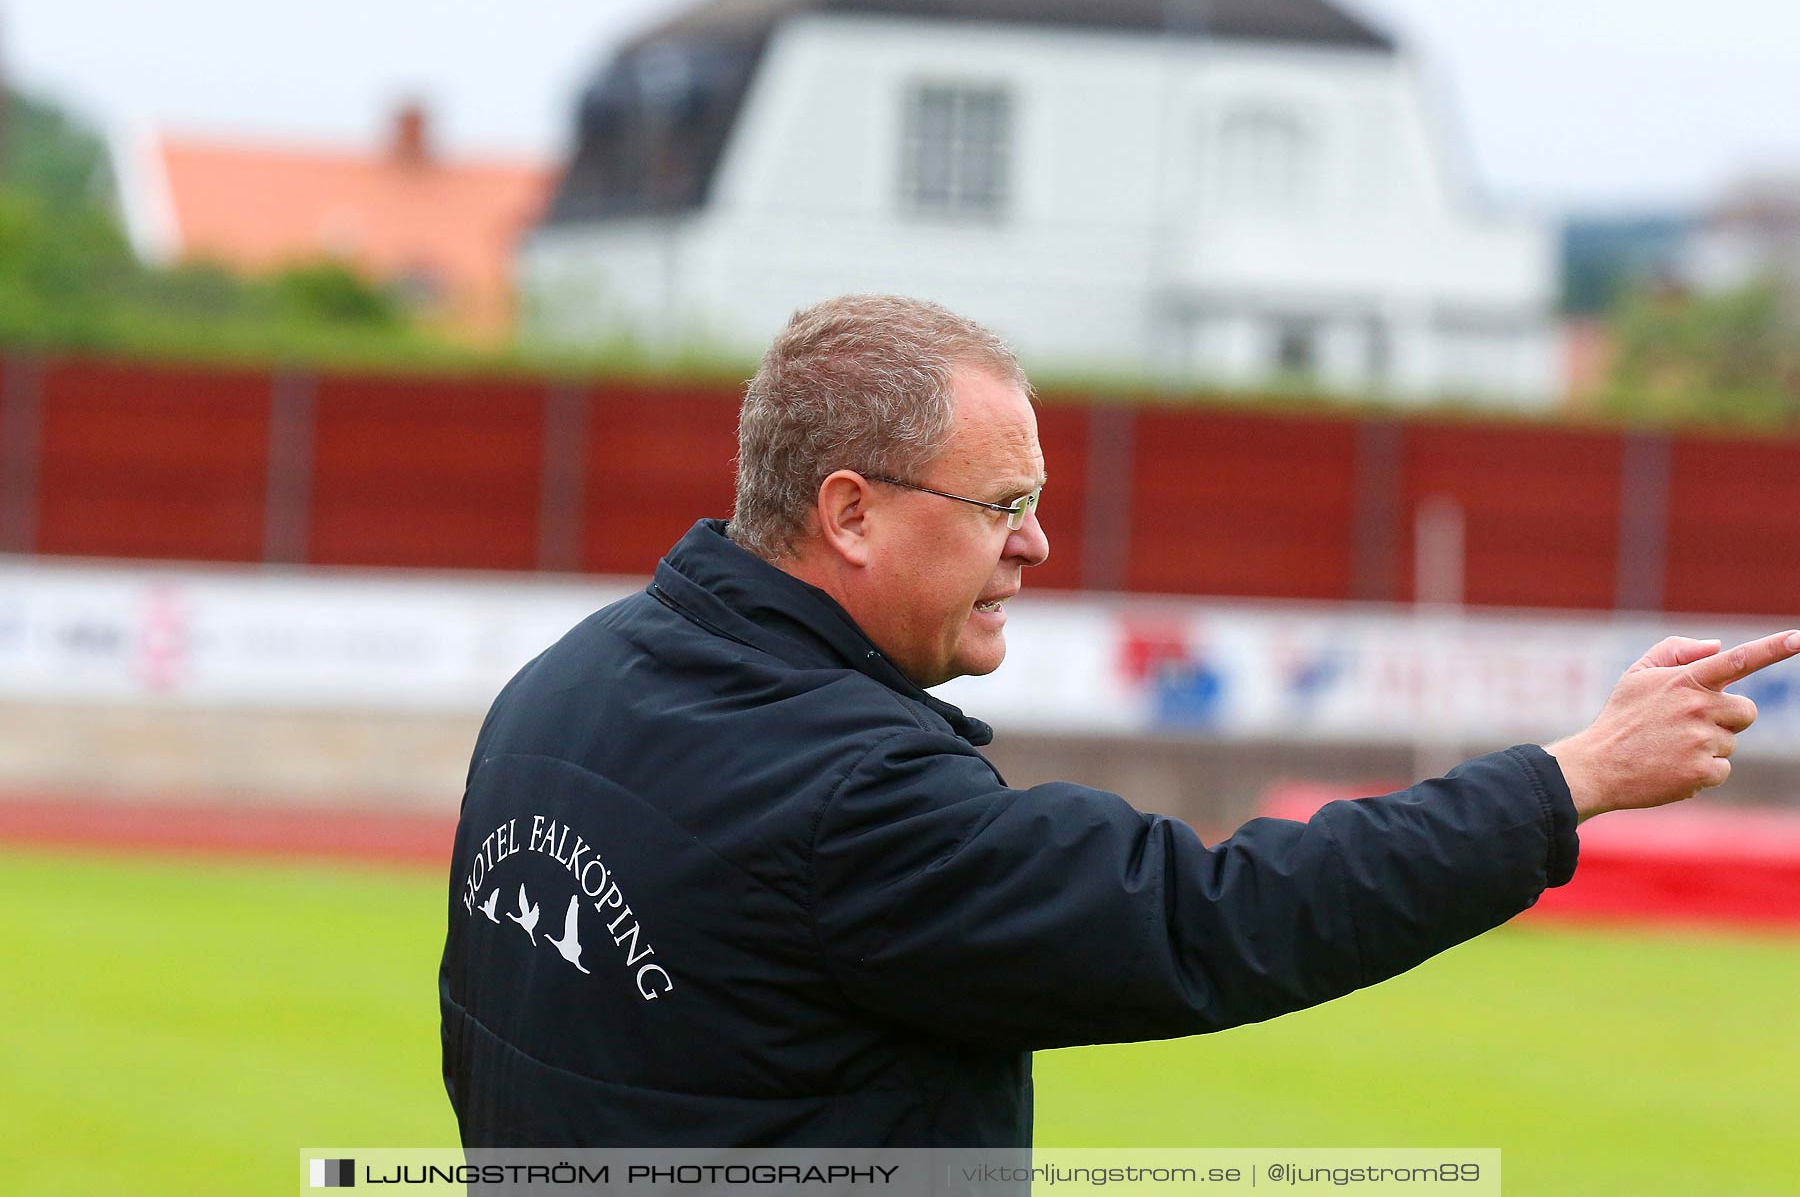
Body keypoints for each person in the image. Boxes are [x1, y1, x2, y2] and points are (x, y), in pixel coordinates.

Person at [439, 294, 1797, 1149]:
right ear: (849, 512)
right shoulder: (852, 797)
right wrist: (1567, 783)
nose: (1036, 544)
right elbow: (1210, 919)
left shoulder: (569, 676)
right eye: (1000, 504)